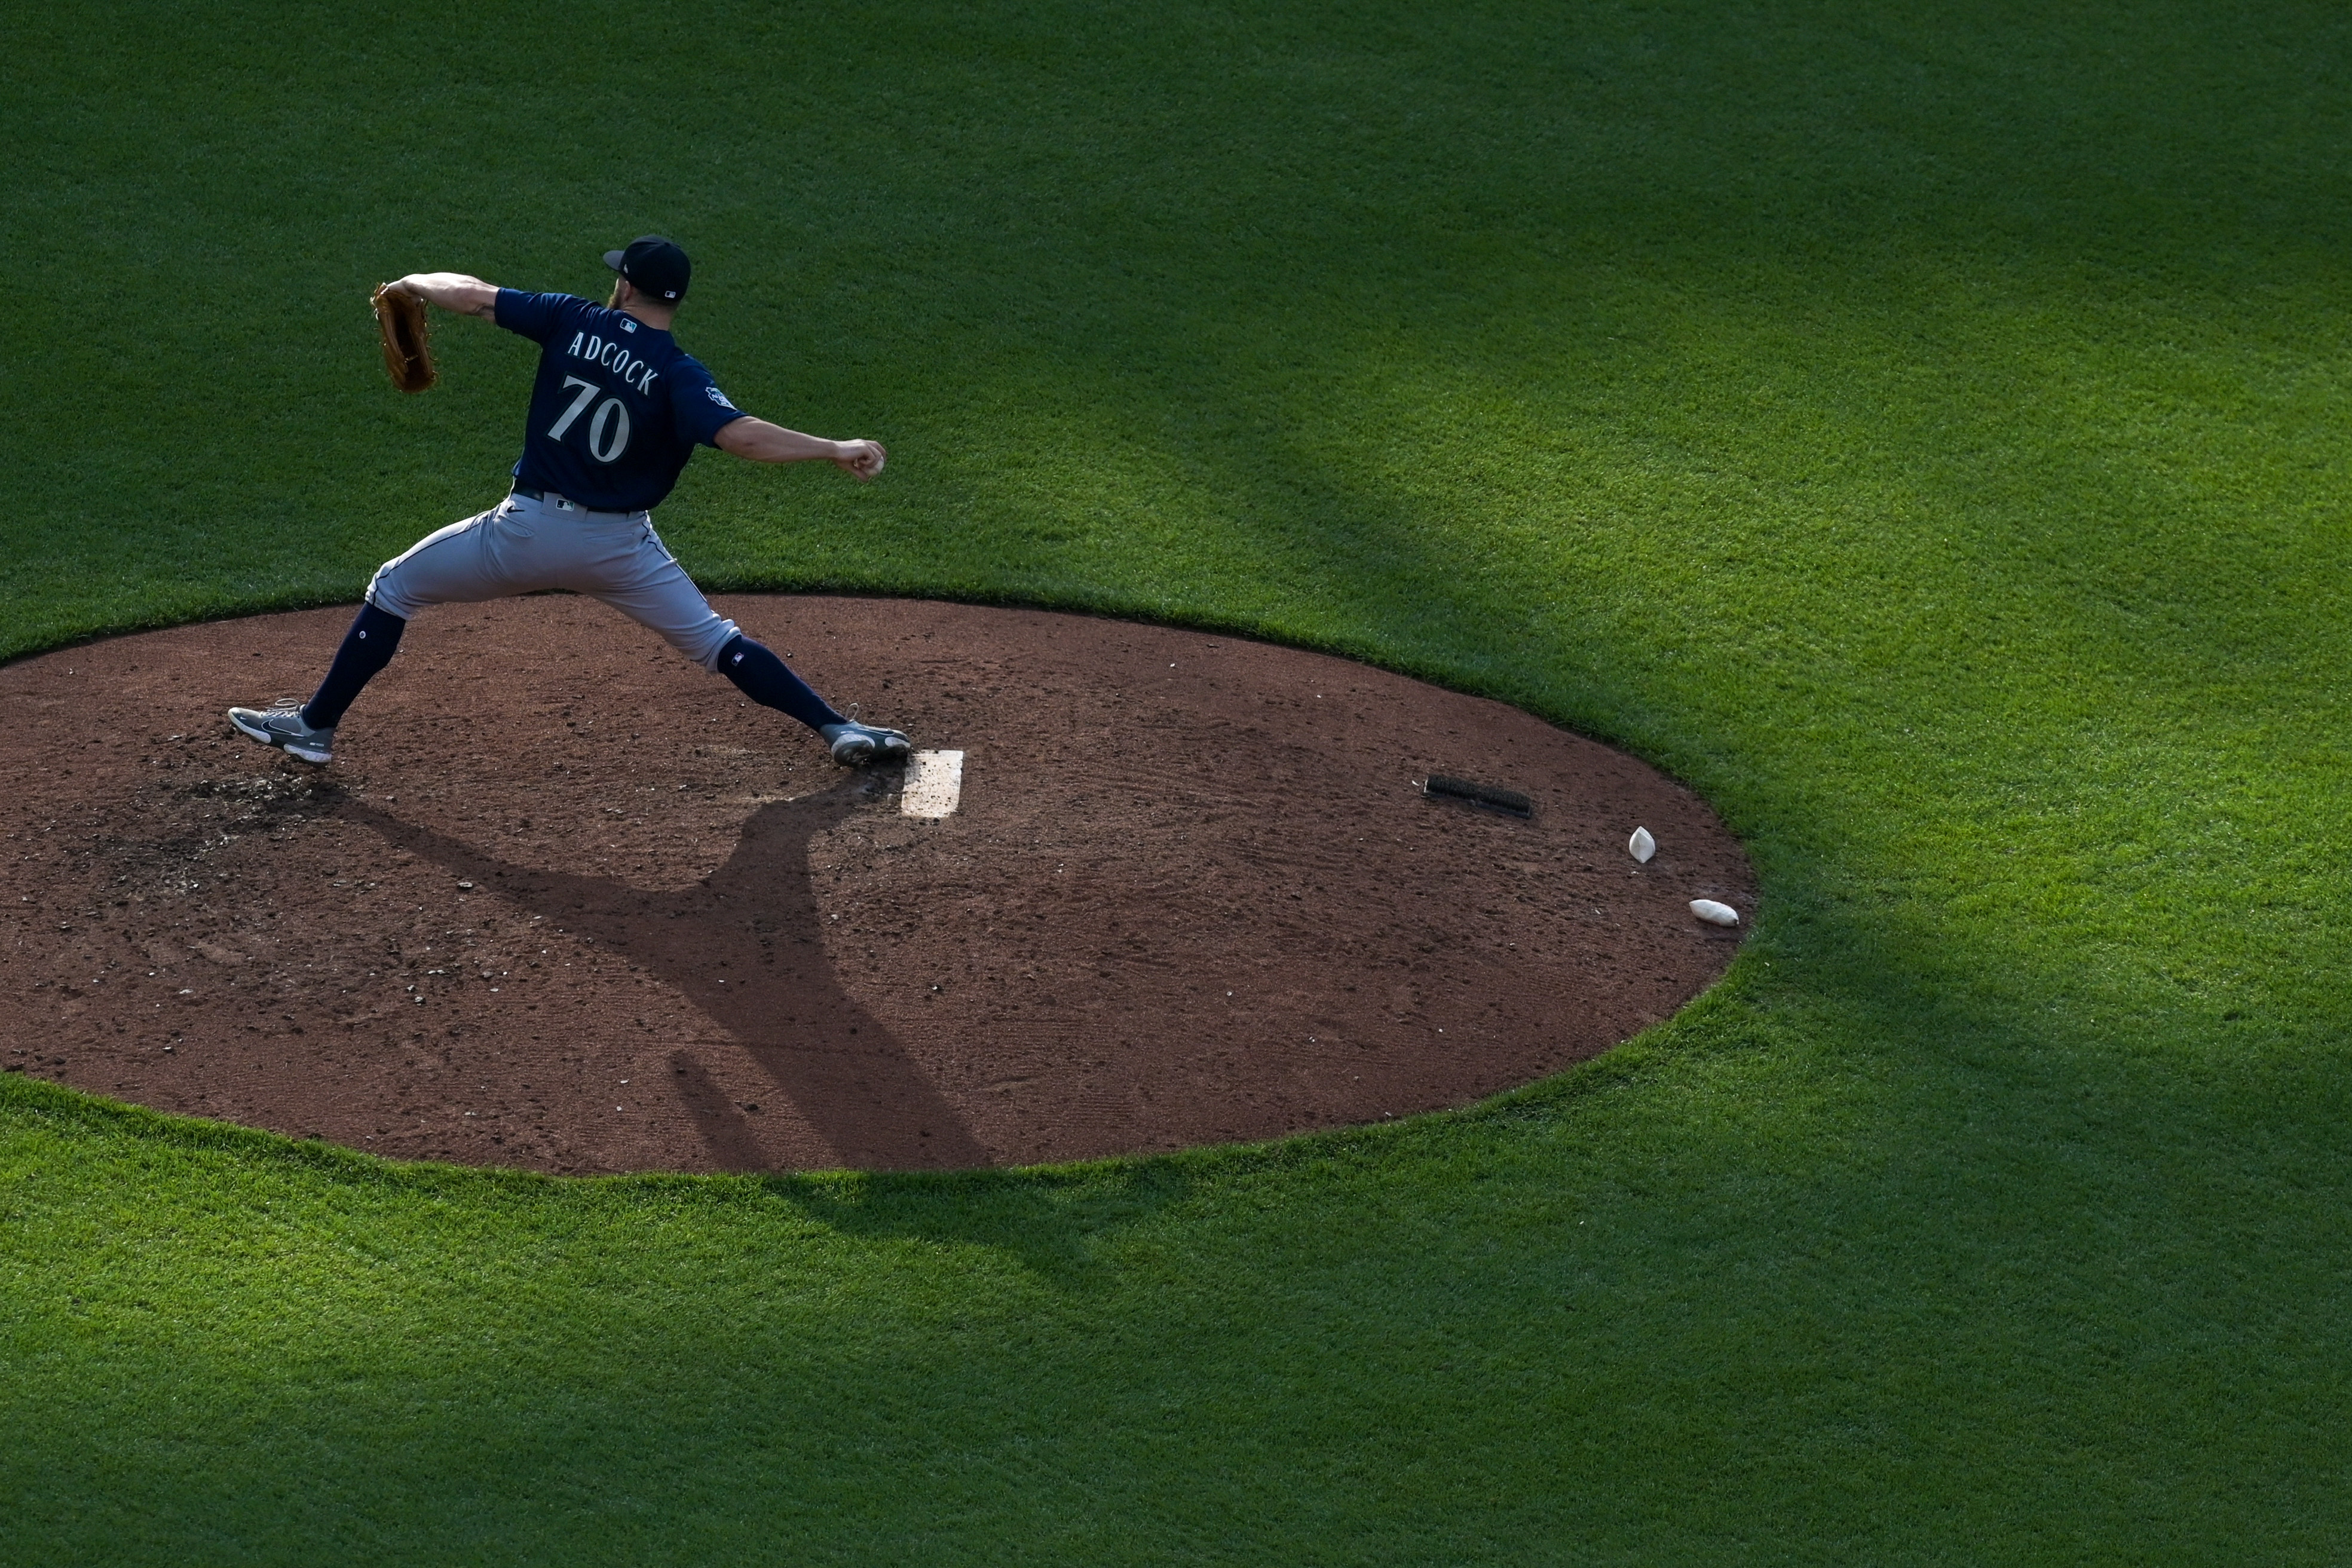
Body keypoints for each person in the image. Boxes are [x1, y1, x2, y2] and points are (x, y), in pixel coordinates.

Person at [228, 235, 913, 768]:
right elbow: (740, 437)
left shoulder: (568, 318)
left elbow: (470, 294)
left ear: (625, 285)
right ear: (673, 300)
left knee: (394, 586)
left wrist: (413, 284)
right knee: (716, 641)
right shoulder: (679, 374)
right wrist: (832, 446)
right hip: (619, 549)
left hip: (524, 534)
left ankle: (315, 727)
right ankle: (838, 727)